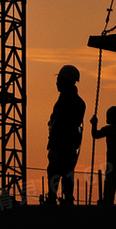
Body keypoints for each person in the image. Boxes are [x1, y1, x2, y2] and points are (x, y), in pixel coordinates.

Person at [46, 65, 85, 205]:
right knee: (67, 171)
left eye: (59, 80)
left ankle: (52, 198)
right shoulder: (79, 102)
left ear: (65, 81)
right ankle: (68, 198)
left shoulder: (65, 101)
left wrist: (54, 146)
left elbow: (61, 125)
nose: (57, 83)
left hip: (61, 142)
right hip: (70, 143)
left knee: (54, 170)